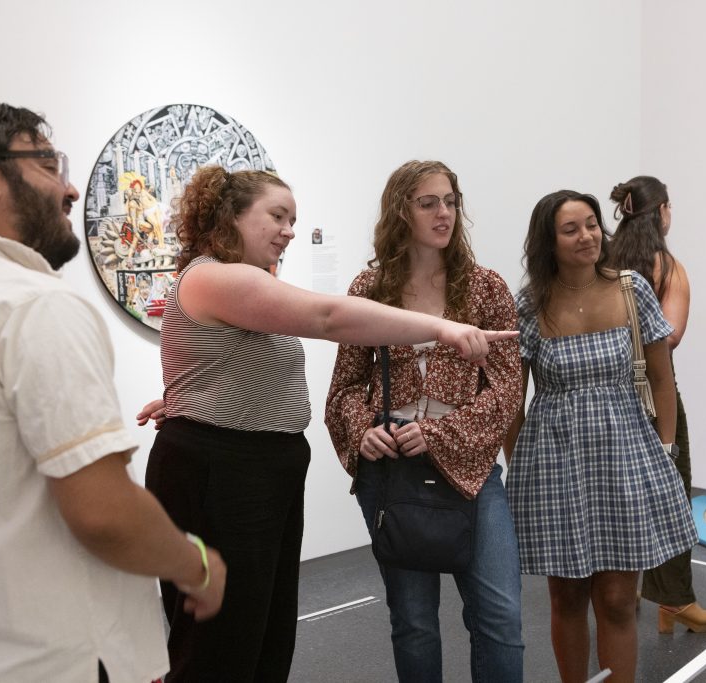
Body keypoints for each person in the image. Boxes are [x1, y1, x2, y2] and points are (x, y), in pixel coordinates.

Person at [139, 164, 515, 683]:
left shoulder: (247, 282)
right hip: (227, 477)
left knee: (260, 638)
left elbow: (231, 364)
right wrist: (443, 329)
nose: (290, 230)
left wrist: (185, 398)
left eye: (293, 218)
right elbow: (329, 320)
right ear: (231, 216)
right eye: (277, 215)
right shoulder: (215, 276)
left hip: (254, 474)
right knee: (220, 646)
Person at [0, 99, 226, 683]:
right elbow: (104, 513)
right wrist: (197, 563)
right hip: (52, 653)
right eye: (49, 164)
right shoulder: (32, 306)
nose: (72, 189)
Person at [325, 160, 524, 683]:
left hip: (473, 472)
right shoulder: (370, 288)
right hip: (395, 471)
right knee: (413, 622)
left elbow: (507, 390)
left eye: (451, 201)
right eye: (428, 202)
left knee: (500, 615)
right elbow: (345, 385)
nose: (444, 213)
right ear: (400, 210)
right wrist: (363, 430)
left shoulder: (485, 288)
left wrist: (438, 433)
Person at [503, 190, 697, 683]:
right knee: (566, 595)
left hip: (624, 455)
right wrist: (521, 465)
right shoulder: (530, 305)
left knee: (615, 597)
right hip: (554, 462)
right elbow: (512, 399)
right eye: (571, 229)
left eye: (592, 224)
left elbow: (660, 377)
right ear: (548, 241)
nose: (588, 236)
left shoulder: (632, 290)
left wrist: (666, 447)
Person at [606, 176, 706, 634]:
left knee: (615, 492)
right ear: (663, 211)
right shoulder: (667, 267)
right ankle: (674, 599)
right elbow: (669, 335)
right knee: (671, 491)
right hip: (655, 393)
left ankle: (623, 589)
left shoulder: (603, 262)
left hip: (608, 393)